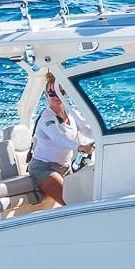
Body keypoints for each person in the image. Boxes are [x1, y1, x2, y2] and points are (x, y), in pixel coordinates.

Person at [27, 75, 95, 208]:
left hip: (66, 168)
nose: (56, 96)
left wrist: (103, 137)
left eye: (60, 92)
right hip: (44, 168)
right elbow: (58, 139)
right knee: (73, 203)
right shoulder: (47, 118)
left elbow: (87, 131)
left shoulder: (71, 112)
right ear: (46, 95)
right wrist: (79, 147)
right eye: (52, 93)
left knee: (89, 199)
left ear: (66, 93)